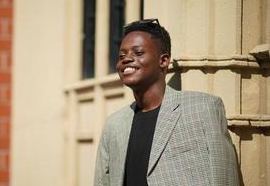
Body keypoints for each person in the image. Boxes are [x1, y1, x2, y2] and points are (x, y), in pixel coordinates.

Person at [94, 19, 239, 186]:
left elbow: (225, 177)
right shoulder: (114, 124)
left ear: (163, 61)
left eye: (138, 53)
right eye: (122, 55)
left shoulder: (203, 108)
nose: (126, 59)